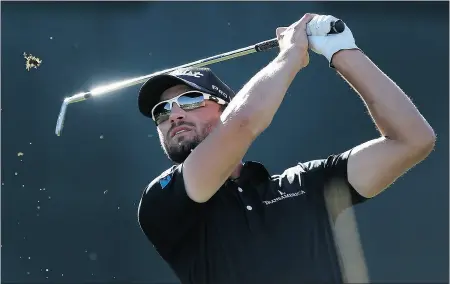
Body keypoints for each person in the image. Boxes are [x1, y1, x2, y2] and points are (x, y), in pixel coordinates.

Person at [136, 14, 435, 284]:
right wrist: (292, 54)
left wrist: (342, 51)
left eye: (190, 101)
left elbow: (412, 139)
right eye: (161, 112)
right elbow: (243, 122)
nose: (173, 115)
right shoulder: (162, 200)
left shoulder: (305, 184)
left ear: (225, 109)